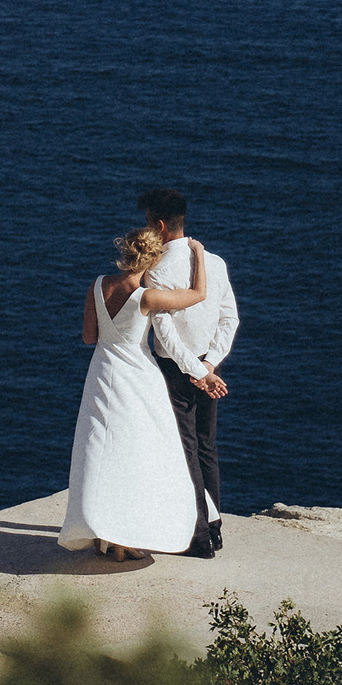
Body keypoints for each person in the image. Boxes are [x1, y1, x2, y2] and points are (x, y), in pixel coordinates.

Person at [57, 224, 209, 559]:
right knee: (137, 454)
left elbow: (88, 337)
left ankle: (103, 534)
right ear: (152, 260)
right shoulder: (148, 296)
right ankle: (122, 537)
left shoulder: (97, 285)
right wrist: (198, 253)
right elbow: (198, 295)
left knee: (99, 452)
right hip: (137, 377)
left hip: (101, 373)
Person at [139, 186, 237, 557]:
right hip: (206, 366)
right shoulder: (214, 262)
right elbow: (230, 318)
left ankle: (199, 538)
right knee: (208, 448)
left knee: (186, 450)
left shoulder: (158, 271)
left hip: (176, 370)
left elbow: (164, 335)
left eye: (147, 222)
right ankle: (215, 527)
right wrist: (209, 364)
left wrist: (196, 370)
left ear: (160, 225)